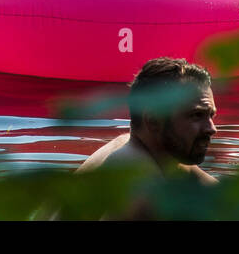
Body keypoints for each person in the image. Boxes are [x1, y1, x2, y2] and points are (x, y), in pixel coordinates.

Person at [78, 57, 218, 184]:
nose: (212, 129)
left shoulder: (133, 145)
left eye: (211, 115)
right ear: (153, 120)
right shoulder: (138, 182)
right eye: (196, 115)